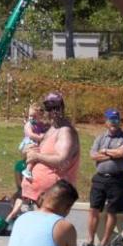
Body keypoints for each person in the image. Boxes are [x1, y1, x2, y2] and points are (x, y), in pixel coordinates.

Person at [14, 93, 79, 221]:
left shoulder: (65, 131)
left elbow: (62, 160)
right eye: (49, 108)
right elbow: (42, 152)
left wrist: (37, 156)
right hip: (38, 197)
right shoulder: (52, 129)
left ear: (62, 108)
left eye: (56, 108)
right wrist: (29, 151)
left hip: (52, 199)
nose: (52, 112)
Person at [86, 108, 123, 246]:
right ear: (106, 122)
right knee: (94, 209)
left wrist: (105, 152)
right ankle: (89, 241)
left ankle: (105, 243)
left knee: (112, 212)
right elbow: (93, 155)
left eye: (116, 120)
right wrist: (112, 154)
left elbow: (122, 153)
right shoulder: (100, 137)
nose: (114, 122)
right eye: (111, 120)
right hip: (100, 178)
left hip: (117, 179)